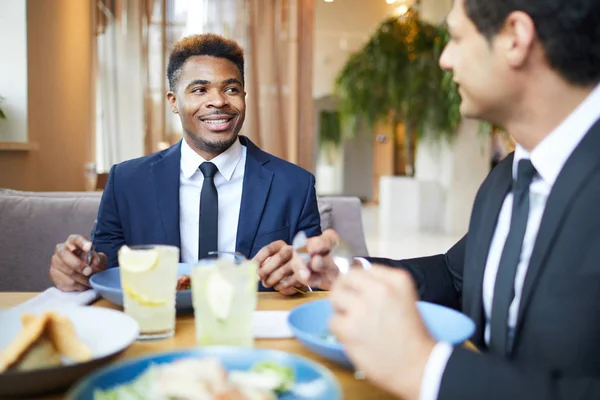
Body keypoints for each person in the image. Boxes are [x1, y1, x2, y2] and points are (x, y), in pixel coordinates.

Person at [285, 0, 600, 398]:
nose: (445, 60)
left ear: (515, 38)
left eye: (455, 38)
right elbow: (456, 276)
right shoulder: (506, 180)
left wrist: (426, 368)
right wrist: (347, 272)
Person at [50, 34, 321, 295]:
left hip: (250, 328)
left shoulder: (295, 184)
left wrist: (301, 277)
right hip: (159, 327)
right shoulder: (126, 181)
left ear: (244, 98)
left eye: (231, 89)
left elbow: (313, 279)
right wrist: (80, 270)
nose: (218, 101)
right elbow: (105, 271)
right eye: (200, 89)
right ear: (173, 102)